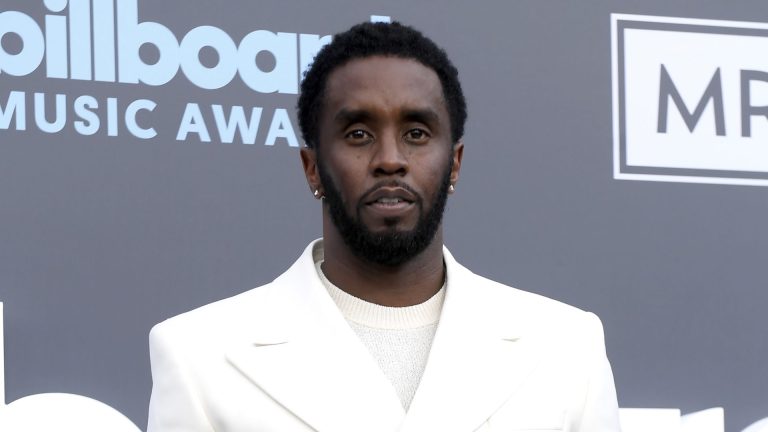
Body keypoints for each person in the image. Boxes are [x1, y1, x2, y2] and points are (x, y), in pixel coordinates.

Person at [147, 21, 621, 432]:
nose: (390, 159)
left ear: (454, 164)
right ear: (312, 167)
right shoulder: (199, 356)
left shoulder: (566, 346)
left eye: (416, 133)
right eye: (358, 134)